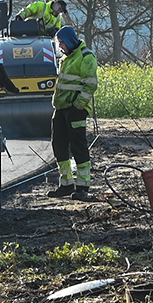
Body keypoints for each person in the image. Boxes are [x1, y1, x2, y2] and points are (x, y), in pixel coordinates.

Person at [47, 25, 98, 200]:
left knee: (78, 147)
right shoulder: (66, 58)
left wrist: (78, 105)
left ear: (69, 41)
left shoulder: (86, 56)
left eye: (62, 42)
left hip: (76, 110)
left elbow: (91, 84)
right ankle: (66, 185)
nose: (60, 46)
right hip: (61, 109)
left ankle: (83, 187)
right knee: (59, 146)